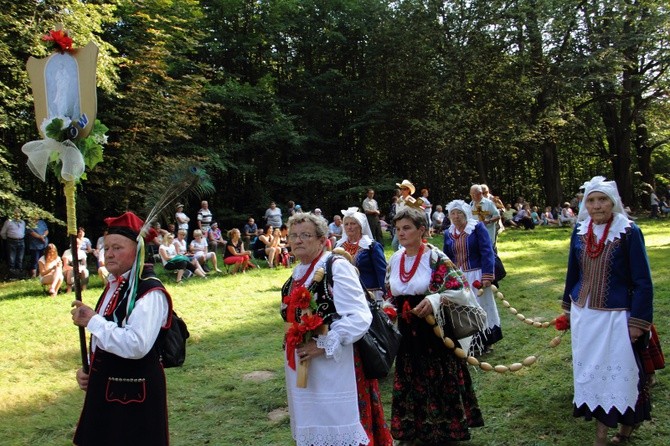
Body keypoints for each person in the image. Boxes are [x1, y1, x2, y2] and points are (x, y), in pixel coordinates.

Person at [280, 212, 392, 446]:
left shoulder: (336, 267)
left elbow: (360, 315)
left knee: (341, 426)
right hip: (306, 368)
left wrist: (323, 343)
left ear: (322, 240)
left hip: (337, 365)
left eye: (306, 235)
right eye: (293, 236)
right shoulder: (297, 274)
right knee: (315, 425)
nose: (298, 240)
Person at [562, 176, 654, 446]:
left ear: (613, 202)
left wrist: (638, 322)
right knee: (591, 373)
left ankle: (618, 432)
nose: (597, 205)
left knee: (620, 373)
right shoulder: (579, 231)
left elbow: (642, 281)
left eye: (602, 199)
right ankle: (602, 433)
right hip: (585, 316)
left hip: (617, 316)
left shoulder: (629, 231)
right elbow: (573, 273)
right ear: (585, 205)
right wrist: (568, 309)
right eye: (591, 200)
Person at [70, 211, 172, 445]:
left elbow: (137, 344)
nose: (109, 254)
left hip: (134, 395)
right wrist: (88, 367)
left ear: (137, 252)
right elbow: (102, 337)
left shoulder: (150, 292)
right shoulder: (114, 285)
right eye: (106, 248)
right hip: (107, 389)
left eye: (117, 248)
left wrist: (92, 321)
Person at [386, 206, 484, 444]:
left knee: (438, 375)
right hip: (408, 332)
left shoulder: (435, 257)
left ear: (422, 230)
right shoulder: (396, 258)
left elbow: (460, 288)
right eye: (398, 229)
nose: (401, 233)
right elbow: (389, 292)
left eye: (407, 228)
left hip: (434, 330)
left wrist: (434, 299)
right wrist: (387, 307)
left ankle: (445, 430)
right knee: (410, 374)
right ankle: (412, 429)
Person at [443, 200, 502, 354]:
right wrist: (447, 277)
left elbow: (487, 251)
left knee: (481, 307)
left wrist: (487, 276)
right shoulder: (448, 233)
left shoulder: (477, 228)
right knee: (463, 309)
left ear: (466, 214)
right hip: (459, 277)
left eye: (459, 213)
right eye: (453, 214)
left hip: (477, 274)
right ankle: (468, 342)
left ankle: (485, 341)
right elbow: (446, 257)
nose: (456, 217)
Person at [336, 207, 387, 302]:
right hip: (344, 294)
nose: (349, 227)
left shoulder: (371, 246)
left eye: (353, 223)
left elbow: (382, 271)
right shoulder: (338, 246)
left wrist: (386, 293)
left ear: (360, 226)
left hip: (368, 293)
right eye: (346, 224)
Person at [1, 207, 26, 277]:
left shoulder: (22, 222)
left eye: (19, 212)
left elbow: (23, 232)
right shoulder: (8, 222)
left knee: (20, 258)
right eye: (16, 212)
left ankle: (19, 274)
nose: (17, 214)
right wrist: (6, 239)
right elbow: (2, 233)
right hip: (11, 241)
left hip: (21, 241)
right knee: (12, 259)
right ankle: (11, 275)